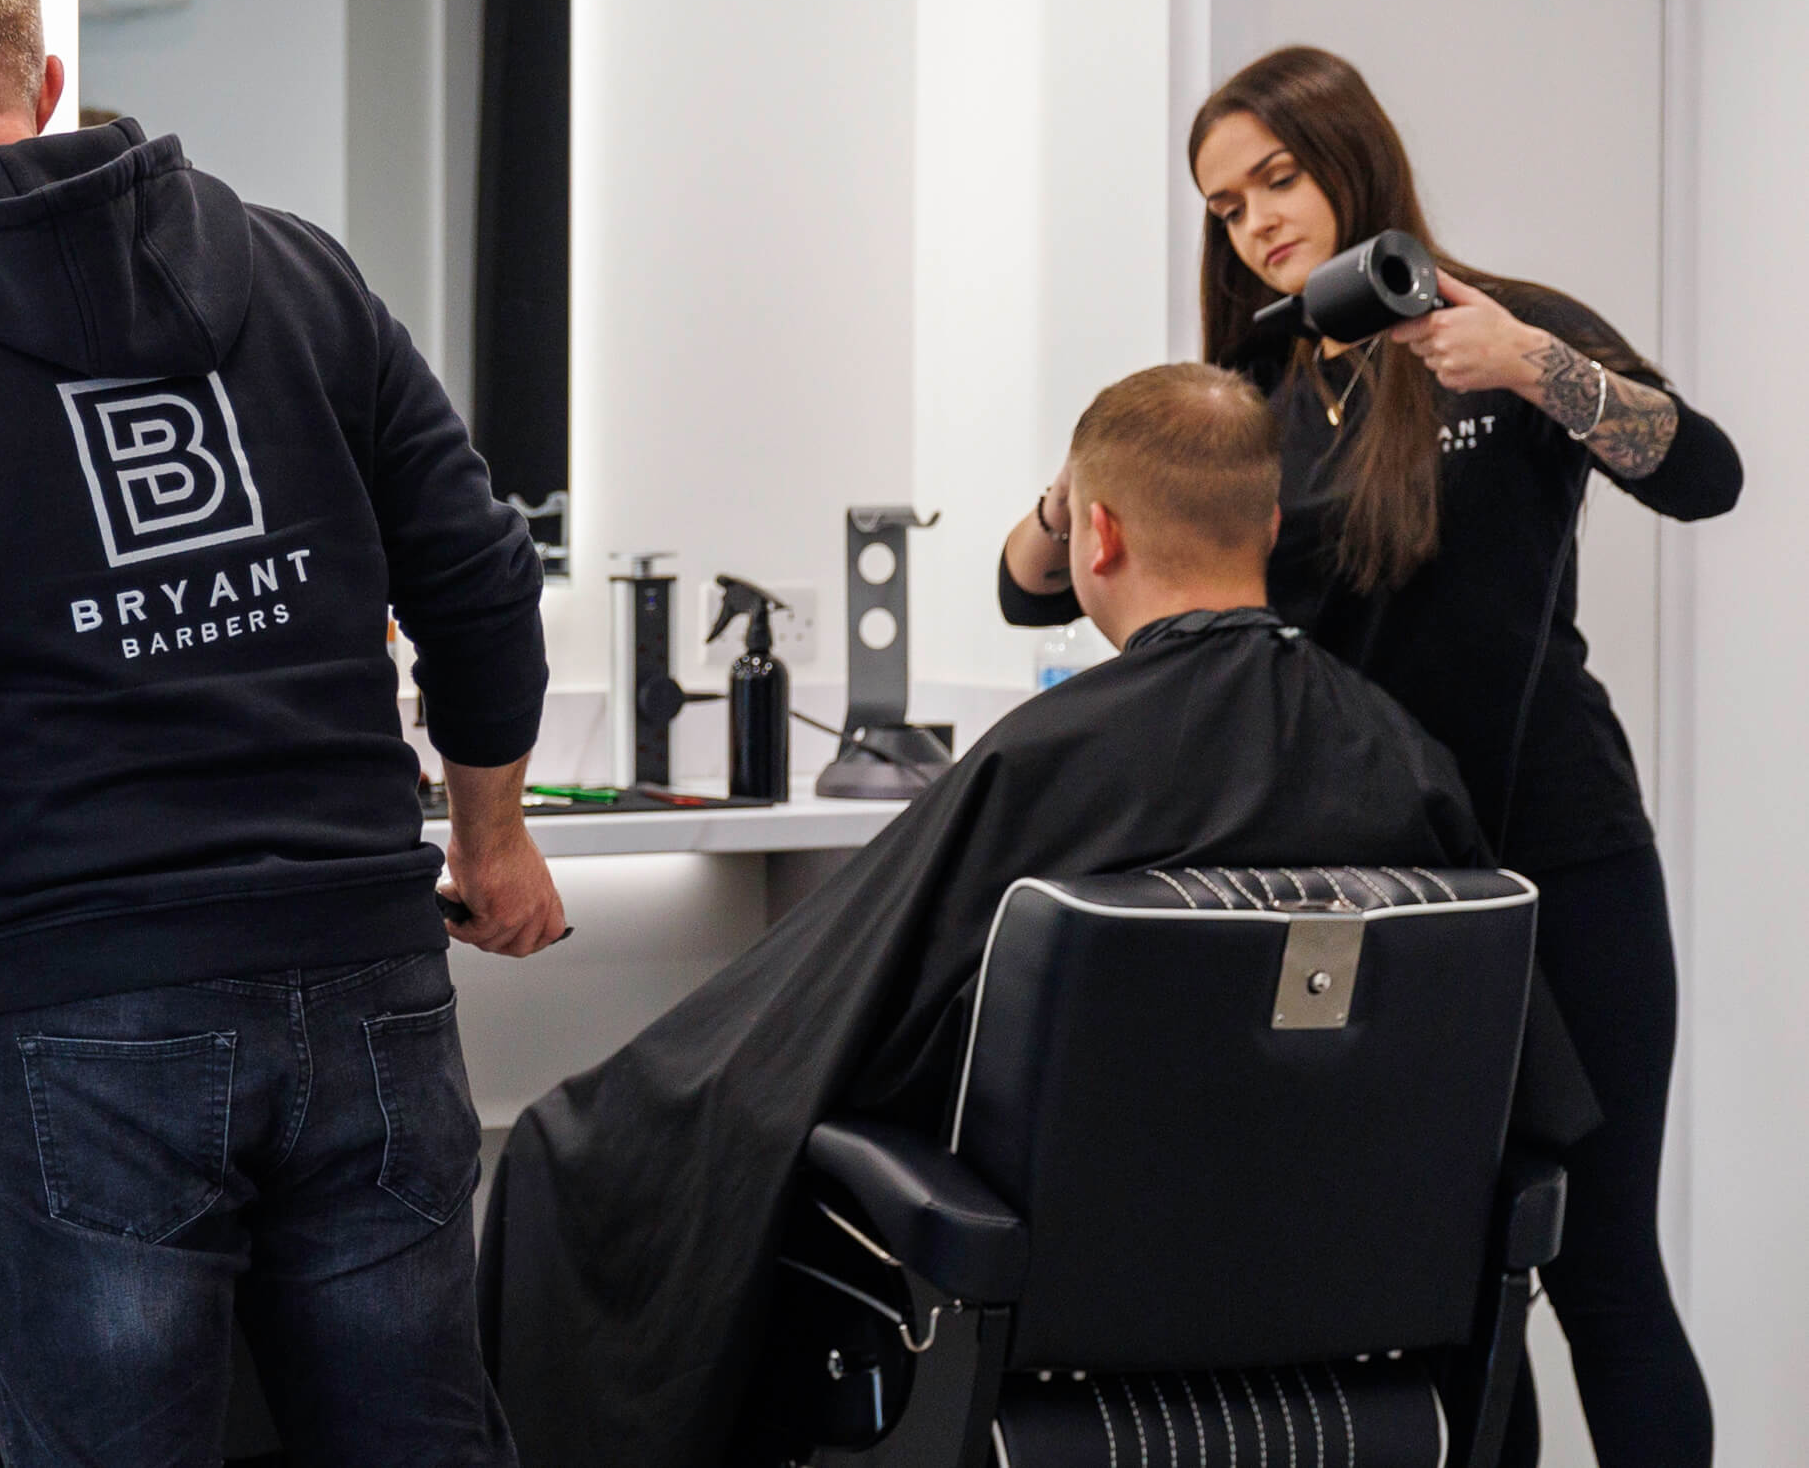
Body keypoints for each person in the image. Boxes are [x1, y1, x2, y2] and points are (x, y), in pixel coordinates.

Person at [0, 0, 563, 1468]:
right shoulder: (297, 273)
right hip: (368, 976)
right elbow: (479, 573)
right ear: (44, 80)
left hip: (80, 1015)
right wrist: (494, 836)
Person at [484, 363, 1529, 1468]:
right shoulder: (1404, 760)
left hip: (1052, 1306)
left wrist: (606, 1117)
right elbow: (1513, 1093)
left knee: (574, 1147)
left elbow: (819, 1027)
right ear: (1268, 523)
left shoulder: (1046, 762)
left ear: (1098, 535)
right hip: (1343, 1338)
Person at [1002, 45, 1739, 1468]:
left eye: (1277, 176)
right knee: (1446, 1292)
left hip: (1562, 862)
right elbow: (1033, 586)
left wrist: (1533, 368)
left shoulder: (1510, 328)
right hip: (1371, 900)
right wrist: (1086, 465)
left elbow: (1705, 471)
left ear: (1352, 156)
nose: (1257, 220)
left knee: (1601, 1268)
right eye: (1226, 205)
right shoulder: (1251, 399)